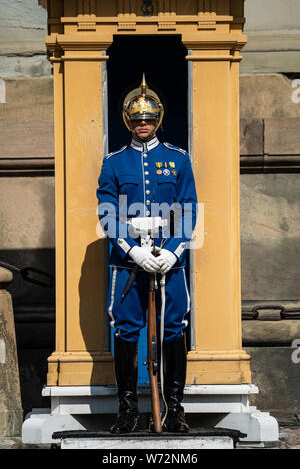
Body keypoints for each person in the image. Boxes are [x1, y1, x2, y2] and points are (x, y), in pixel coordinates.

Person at [96, 75, 198, 434]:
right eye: (138, 118)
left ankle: (174, 410)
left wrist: (173, 252)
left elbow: (187, 209)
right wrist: (132, 250)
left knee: (172, 329)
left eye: (149, 118)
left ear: (159, 119)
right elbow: (107, 212)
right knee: (126, 330)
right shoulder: (114, 162)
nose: (144, 124)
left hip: (170, 263)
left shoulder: (177, 159)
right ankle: (127, 412)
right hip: (128, 264)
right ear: (128, 120)